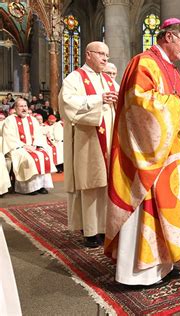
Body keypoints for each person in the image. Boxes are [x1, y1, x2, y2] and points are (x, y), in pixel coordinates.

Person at [105, 18, 180, 286]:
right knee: (148, 207)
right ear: (169, 37)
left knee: (170, 208)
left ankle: (164, 263)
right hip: (147, 156)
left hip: (169, 156)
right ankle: (138, 272)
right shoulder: (144, 62)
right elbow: (137, 103)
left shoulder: (171, 71)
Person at [59, 41, 119, 248]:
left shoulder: (109, 80)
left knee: (106, 184)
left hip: (110, 140)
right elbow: (68, 105)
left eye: (107, 55)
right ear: (88, 54)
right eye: (101, 54)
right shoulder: (74, 78)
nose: (105, 58)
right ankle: (90, 231)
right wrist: (98, 99)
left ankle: (103, 228)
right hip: (87, 139)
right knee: (91, 185)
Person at [2, 98, 56, 195]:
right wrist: (24, 146)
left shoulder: (32, 119)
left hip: (33, 146)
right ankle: (29, 187)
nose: (24, 109)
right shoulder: (10, 120)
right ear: (15, 108)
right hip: (17, 148)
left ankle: (41, 185)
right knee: (28, 158)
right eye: (21, 106)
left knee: (44, 155)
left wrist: (35, 145)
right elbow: (9, 137)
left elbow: (38, 134)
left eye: (25, 106)